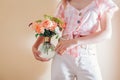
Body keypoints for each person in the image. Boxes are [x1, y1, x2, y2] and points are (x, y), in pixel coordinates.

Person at [32, 0, 119, 80]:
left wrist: (74, 42)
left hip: (87, 56)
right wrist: (36, 45)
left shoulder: (101, 2)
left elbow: (106, 33)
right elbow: (50, 27)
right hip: (62, 56)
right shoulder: (64, 3)